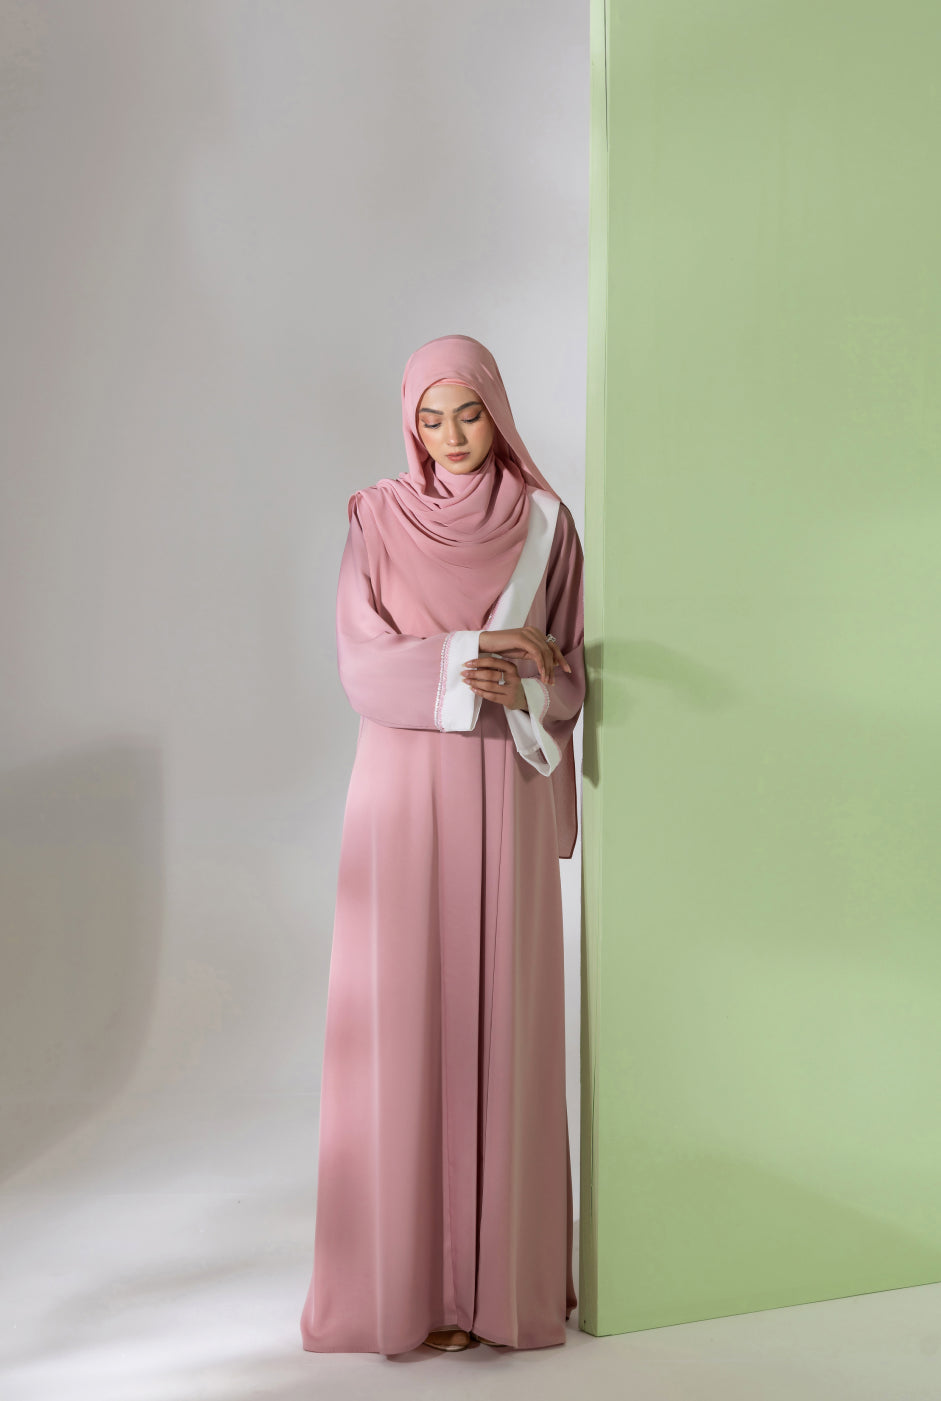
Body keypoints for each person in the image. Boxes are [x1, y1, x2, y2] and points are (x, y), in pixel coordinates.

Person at [299, 333, 585, 1357]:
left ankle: (496, 1290)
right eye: (431, 417)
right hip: (402, 796)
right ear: (410, 424)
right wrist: (475, 652)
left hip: (503, 787)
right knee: (405, 1018)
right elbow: (362, 663)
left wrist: (529, 683)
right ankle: (408, 1289)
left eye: (468, 413)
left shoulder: (545, 522)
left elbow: (567, 674)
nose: (452, 435)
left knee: (500, 1015)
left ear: (495, 412)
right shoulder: (375, 517)